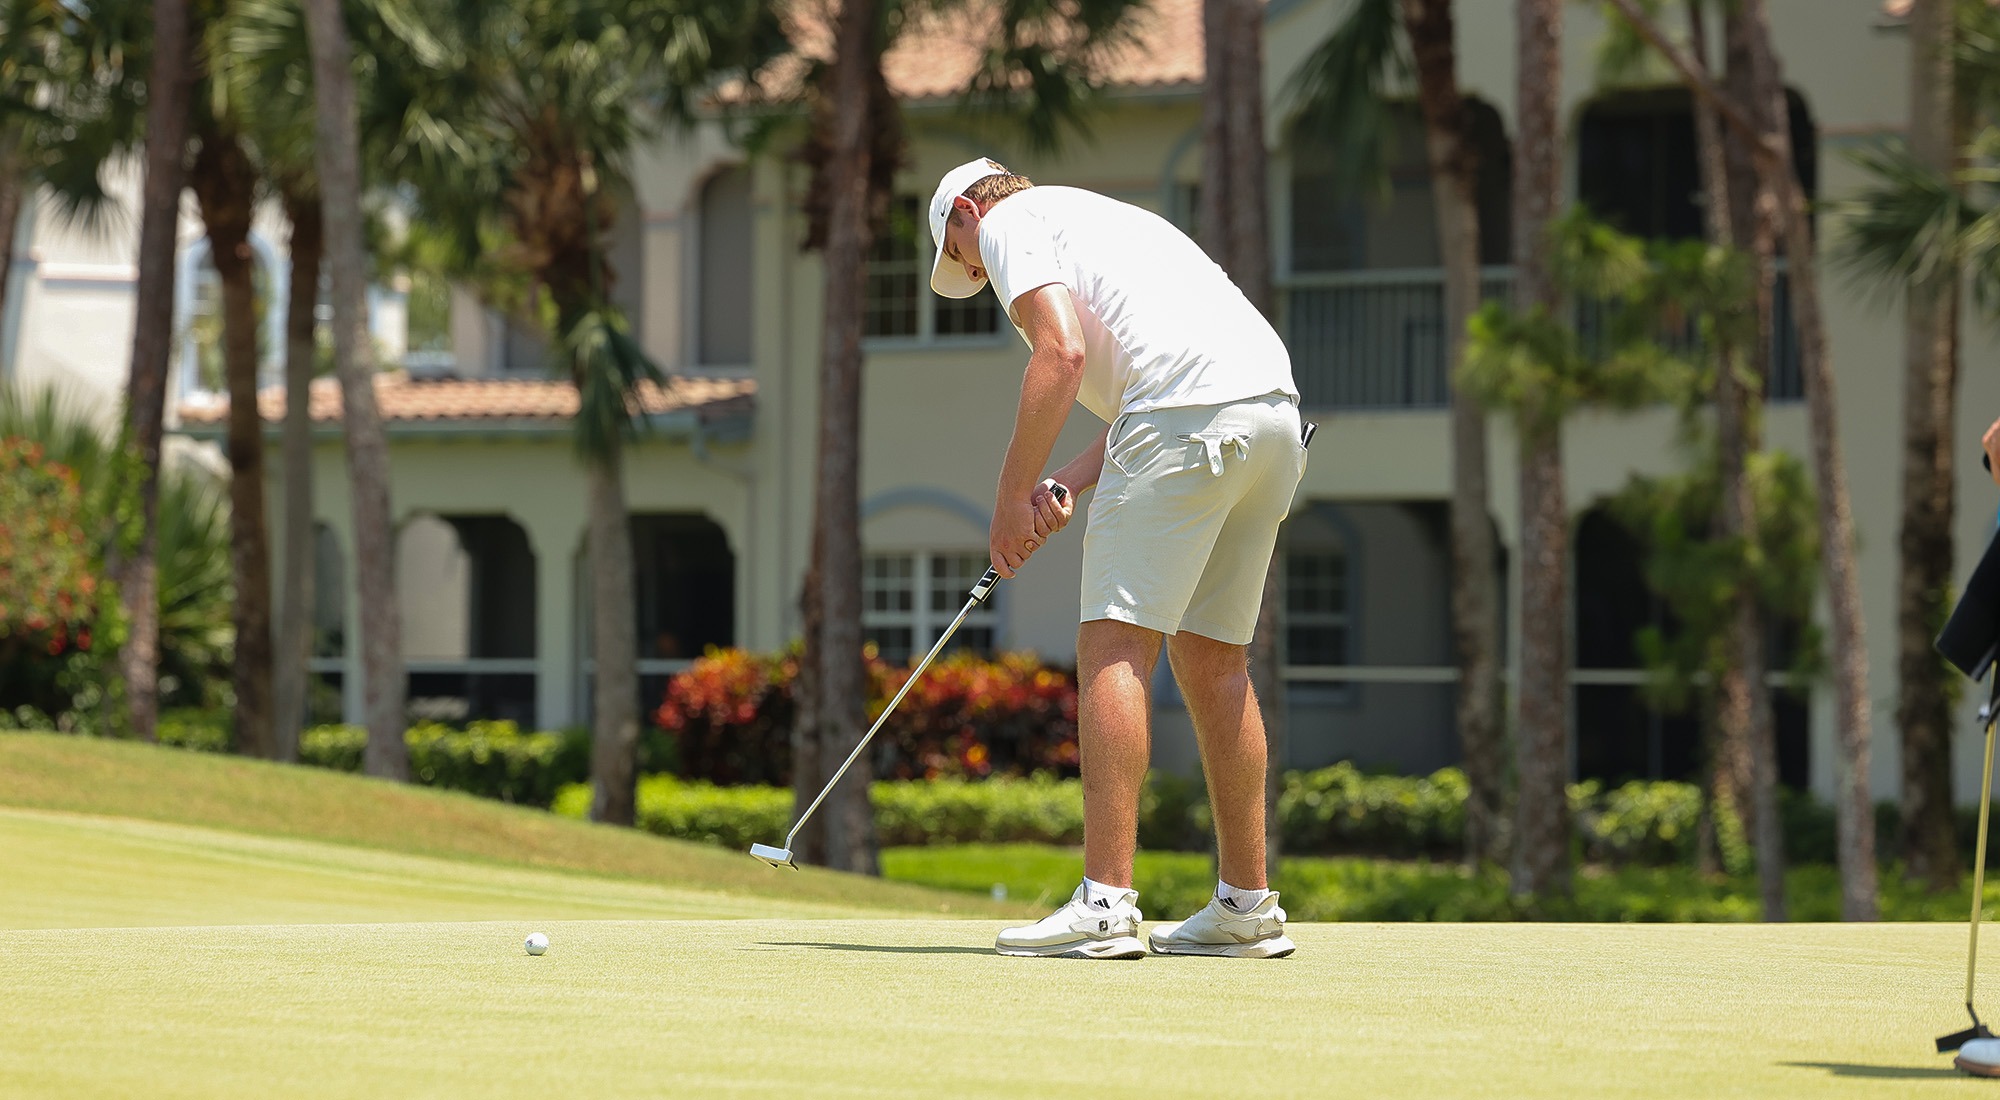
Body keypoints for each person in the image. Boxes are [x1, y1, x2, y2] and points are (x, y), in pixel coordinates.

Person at [927, 157, 1307, 959]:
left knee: (1114, 644)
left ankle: (1105, 905)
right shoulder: (1110, 221)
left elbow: (1060, 355)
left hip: (1185, 419)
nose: (978, 272)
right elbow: (1158, 384)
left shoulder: (1006, 223)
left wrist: (1009, 501)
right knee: (1215, 659)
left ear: (966, 211)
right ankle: (1247, 904)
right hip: (1272, 418)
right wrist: (1061, 483)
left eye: (963, 257)